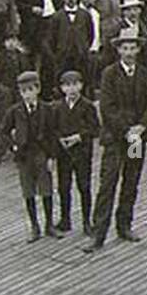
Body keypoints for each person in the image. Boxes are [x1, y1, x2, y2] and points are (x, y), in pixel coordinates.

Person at [85, 27, 147, 253]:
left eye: (132, 48)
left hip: (137, 140)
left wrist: (140, 128)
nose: (129, 52)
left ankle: (124, 225)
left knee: (131, 181)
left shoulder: (145, 74)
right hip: (115, 138)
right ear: (118, 50)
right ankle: (98, 234)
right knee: (108, 183)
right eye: (125, 48)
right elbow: (107, 108)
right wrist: (127, 129)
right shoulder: (109, 74)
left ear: (138, 50)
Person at [0, 70, 61, 243]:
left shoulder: (47, 109)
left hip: (42, 153)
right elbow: (3, 132)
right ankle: (34, 226)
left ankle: (49, 224)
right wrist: (13, 146)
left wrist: (52, 157)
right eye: (23, 91)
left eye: (30, 90)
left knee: (46, 189)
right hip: (24, 156)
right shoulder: (14, 111)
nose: (27, 95)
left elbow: (53, 134)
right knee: (28, 191)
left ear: (37, 89)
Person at [52, 68, 99, 236]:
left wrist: (78, 137)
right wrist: (60, 140)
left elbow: (95, 128)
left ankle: (87, 221)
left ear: (81, 85)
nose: (71, 89)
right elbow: (53, 127)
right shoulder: (57, 107)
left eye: (75, 84)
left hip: (82, 153)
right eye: (67, 85)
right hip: (64, 154)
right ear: (62, 88)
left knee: (84, 186)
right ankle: (65, 219)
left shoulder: (88, 106)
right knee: (64, 187)